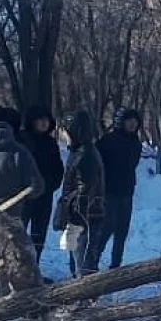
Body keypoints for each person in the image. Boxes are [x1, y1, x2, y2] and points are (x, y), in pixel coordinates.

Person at [0, 104, 44, 300]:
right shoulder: (19, 152)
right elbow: (37, 187)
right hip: (8, 220)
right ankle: (5, 317)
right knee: (9, 273)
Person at [54, 110, 106, 278]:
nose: (61, 134)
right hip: (80, 215)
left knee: (83, 266)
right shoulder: (78, 152)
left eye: (63, 130)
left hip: (85, 218)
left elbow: (84, 190)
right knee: (78, 264)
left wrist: (75, 219)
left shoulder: (85, 155)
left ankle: (87, 299)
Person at [93, 107, 142, 270]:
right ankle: (91, 263)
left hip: (127, 192)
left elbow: (133, 165)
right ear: (121, 122)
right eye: (129, 121)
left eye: (135, 121)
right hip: (109, 193)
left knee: (122, 231)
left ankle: (116, 266)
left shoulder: (136, 143)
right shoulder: (107, 141)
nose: (133, 124)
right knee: (106, 229)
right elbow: (96, 165)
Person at [19, 105, 64, 260]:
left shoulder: (51, 142)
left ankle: (35, 269)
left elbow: (58, 169)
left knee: (39, 235)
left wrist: (51, 185)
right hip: (22, 197)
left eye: (46, 120)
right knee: (19, 234)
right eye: (40, 120)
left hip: (44, 195)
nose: (44, 123)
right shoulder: (21, 139)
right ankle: (17, 273)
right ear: (32, 121)